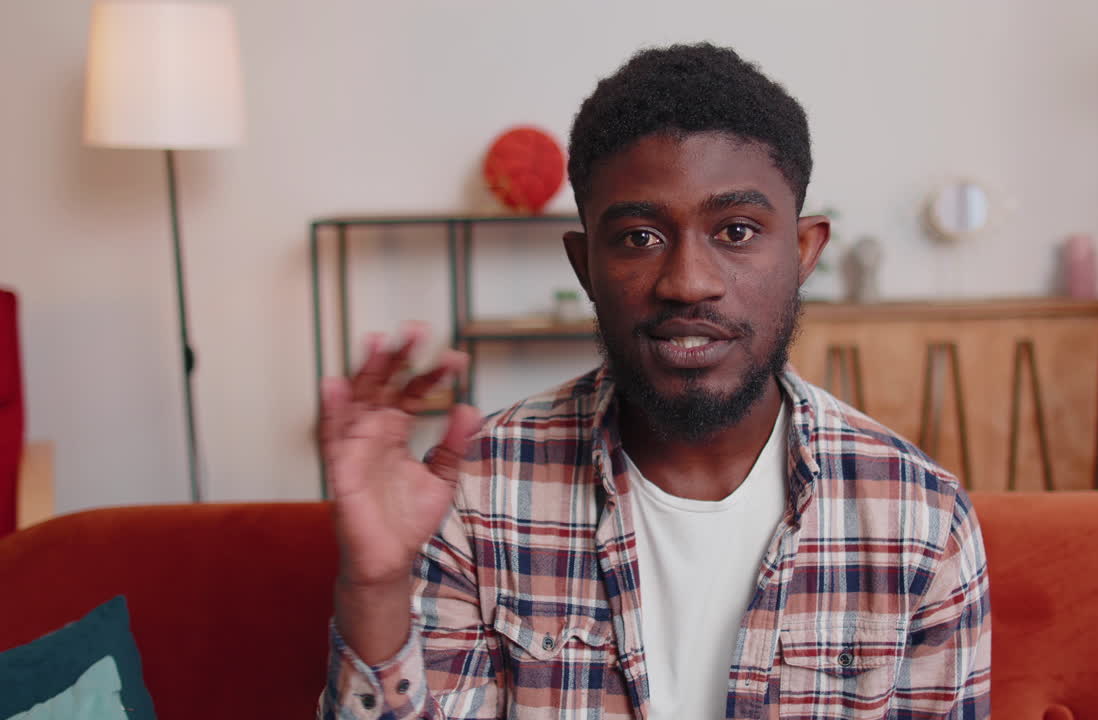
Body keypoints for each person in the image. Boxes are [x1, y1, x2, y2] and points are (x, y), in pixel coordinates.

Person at [319, 43, 990, 720]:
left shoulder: (921, 519)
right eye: (640, 237)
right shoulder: (475, 491)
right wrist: (374, 589)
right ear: (585, 266)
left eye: (735, 230)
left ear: (804, 251)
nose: (688, 282)